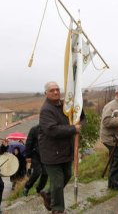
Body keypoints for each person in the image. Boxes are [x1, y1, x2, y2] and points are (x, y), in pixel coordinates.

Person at [38, 81, 81, 214]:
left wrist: (79, 112)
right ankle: (58, 209)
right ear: (46, 93)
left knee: (67, 175)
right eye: (52, 90)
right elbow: (52, 130)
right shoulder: (46, 110)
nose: (56, 92)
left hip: (65, 150)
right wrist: (73, 129)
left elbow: (80, 115)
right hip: (51, 152)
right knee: (57, 182)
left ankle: (48, 194)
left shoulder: (65, 105)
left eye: (57, 89)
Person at [100, 85, 118, 190]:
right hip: (110, 138)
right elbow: (106, 122)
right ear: (117, 94)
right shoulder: (111, 106)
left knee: (114, 160)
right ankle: (115, 182)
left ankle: (111, 185)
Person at [23, 124, 48, 196]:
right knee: (37, 171)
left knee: (45, 173)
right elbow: (28, 143)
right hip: (35, 154)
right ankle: (27, 187)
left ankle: (39, 189)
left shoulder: (49, 129)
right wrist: (28, 156)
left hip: (45, 155)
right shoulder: (34, 129)